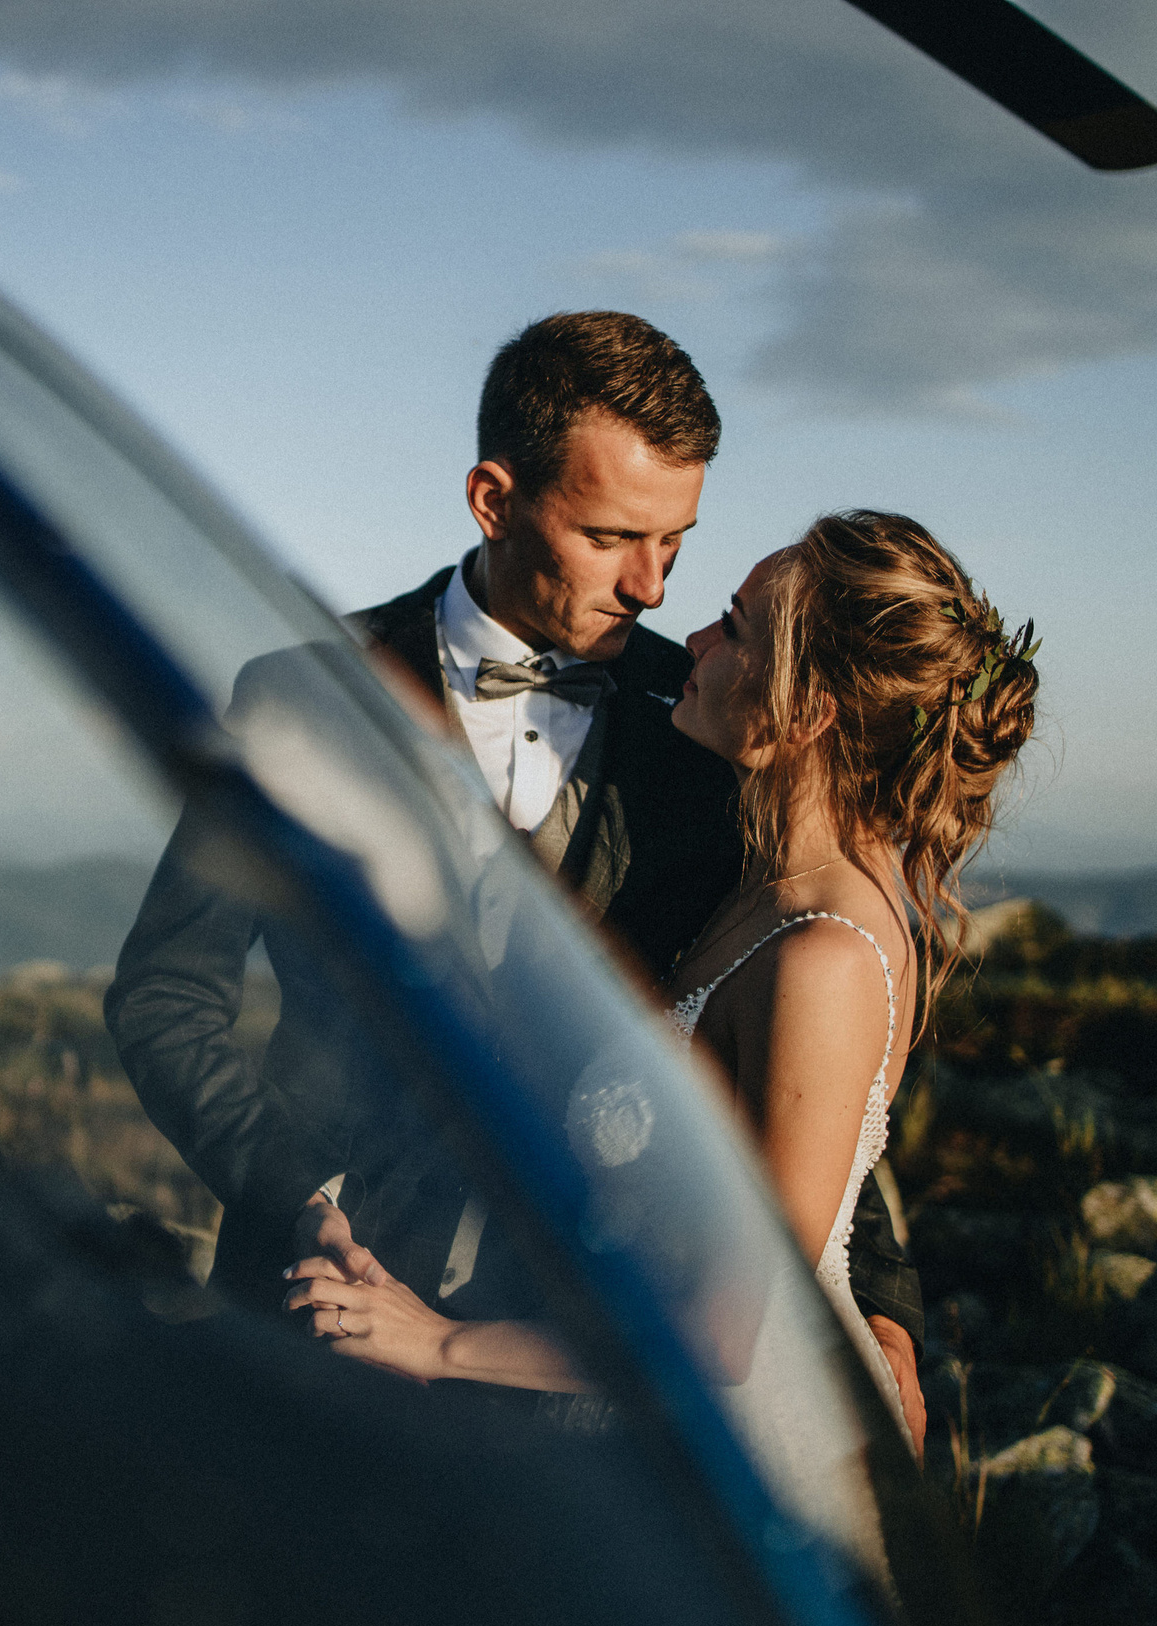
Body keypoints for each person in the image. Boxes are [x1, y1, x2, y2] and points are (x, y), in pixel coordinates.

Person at [105, 312, 928, 1431]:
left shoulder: (711, 726)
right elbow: (166, 992)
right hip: (313, 1318)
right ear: (492, 499)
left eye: (676, 542)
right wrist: (289, 1190)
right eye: (610, 536)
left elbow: (791, 1036)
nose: (650, 586)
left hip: (571, 1349)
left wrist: (877, 1299)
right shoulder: (298, 695)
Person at [282, 512, 1037, 1495]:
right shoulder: (765, 892)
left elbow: (724, 1334)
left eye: (735, 627)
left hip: (737, 1454)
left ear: (802, 707)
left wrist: (438, 1346)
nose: (692, 640)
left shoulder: (825, 959)